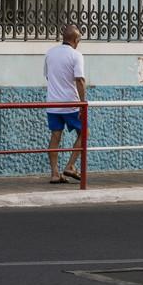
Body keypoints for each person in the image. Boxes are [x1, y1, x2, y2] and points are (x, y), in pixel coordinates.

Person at [44, 25, 86, 184]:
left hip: (52, 103)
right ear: (76, 40)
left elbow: (48, 77)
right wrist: (82, 103)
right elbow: (80, 80)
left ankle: (55, 174)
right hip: (71, 104)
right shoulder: (76, 55)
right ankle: (70, 165)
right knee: (85, 133)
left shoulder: (50, 53)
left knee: (55, 136)